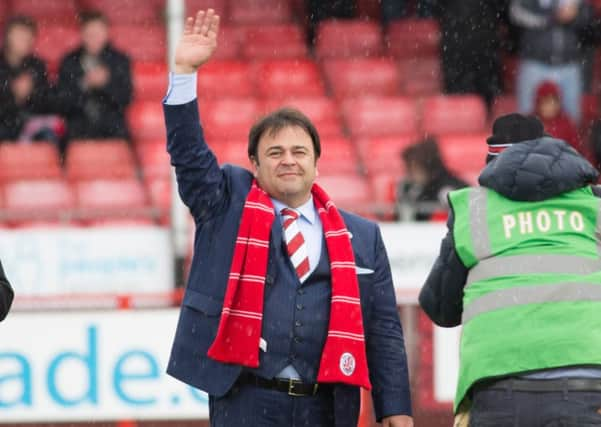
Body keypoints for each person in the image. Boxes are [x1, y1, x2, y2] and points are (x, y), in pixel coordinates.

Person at [163, 9, 413, 427]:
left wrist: (396, 408)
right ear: (255, 166)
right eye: (275, 153)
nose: (288, 161)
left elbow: (384, 329)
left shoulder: (362, 236)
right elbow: (188, 154)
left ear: (317, 163)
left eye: (299, 152)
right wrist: (185, 73)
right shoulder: (225, 203)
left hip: (327, 406)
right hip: (244, 400)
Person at [419, 113, 601, 426]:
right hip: (587, 380)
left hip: (498, 383)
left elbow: (440, 308)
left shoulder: (474, 209)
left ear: (493, 162)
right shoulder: (593, 204)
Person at [510, 0, 594, 124]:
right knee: (527, 118)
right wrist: (551, 17)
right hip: (535, 62)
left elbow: (588, 17)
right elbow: (516, 14)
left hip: (568, 63)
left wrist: (575, 15)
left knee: (572, 120)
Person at [56, 10, 132, 141]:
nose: (94, 38)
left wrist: (106, 84)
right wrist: (85, 84)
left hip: (113, 127)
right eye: (90, 34)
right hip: (77, 127)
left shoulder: (119, 60)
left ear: (107, 33)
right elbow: (62, 102)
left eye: (98, 33)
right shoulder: (69, 61)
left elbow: (126, 98)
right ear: (82, 34)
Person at [0, 15, 54, 141]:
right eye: (20, 36)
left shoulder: (37, 65)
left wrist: (30, 93)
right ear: (8, 37)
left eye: (28, 37)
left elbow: (47, 101)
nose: (25, 41)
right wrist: (13, 92)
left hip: (30, 124)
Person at [397, 137, 468, 221]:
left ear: (427, 167)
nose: (409, 174)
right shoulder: (410, 187)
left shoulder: (449, 187)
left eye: (413, 169)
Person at [533, 80, 580, 153]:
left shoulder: (566, 124)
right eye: (547, 102)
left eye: (555, 102)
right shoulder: (529, 123)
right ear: (538, 103)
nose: (551, 107)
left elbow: (577, 153)